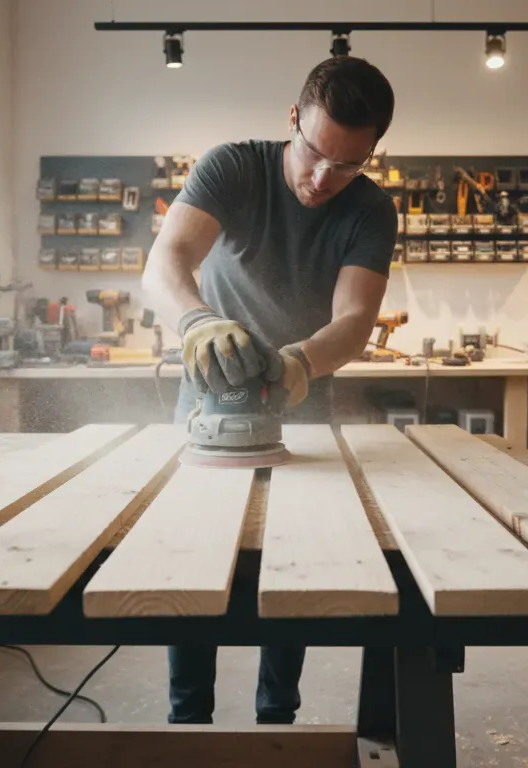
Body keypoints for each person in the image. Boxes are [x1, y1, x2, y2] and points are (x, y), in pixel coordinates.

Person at [140, 55, 398, 725]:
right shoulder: (233, 167)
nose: (322, 178)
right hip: (208, 400)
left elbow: (354, 321)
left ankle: (276, 720)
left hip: (301, 399)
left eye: (346, 165)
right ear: (294, 119)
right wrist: (196, 323)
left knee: (294, 566)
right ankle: (188, 720)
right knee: (192, 560)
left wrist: (299, 364)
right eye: (315, 151)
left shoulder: (371, 209)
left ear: (372, 153)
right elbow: (166, 261)